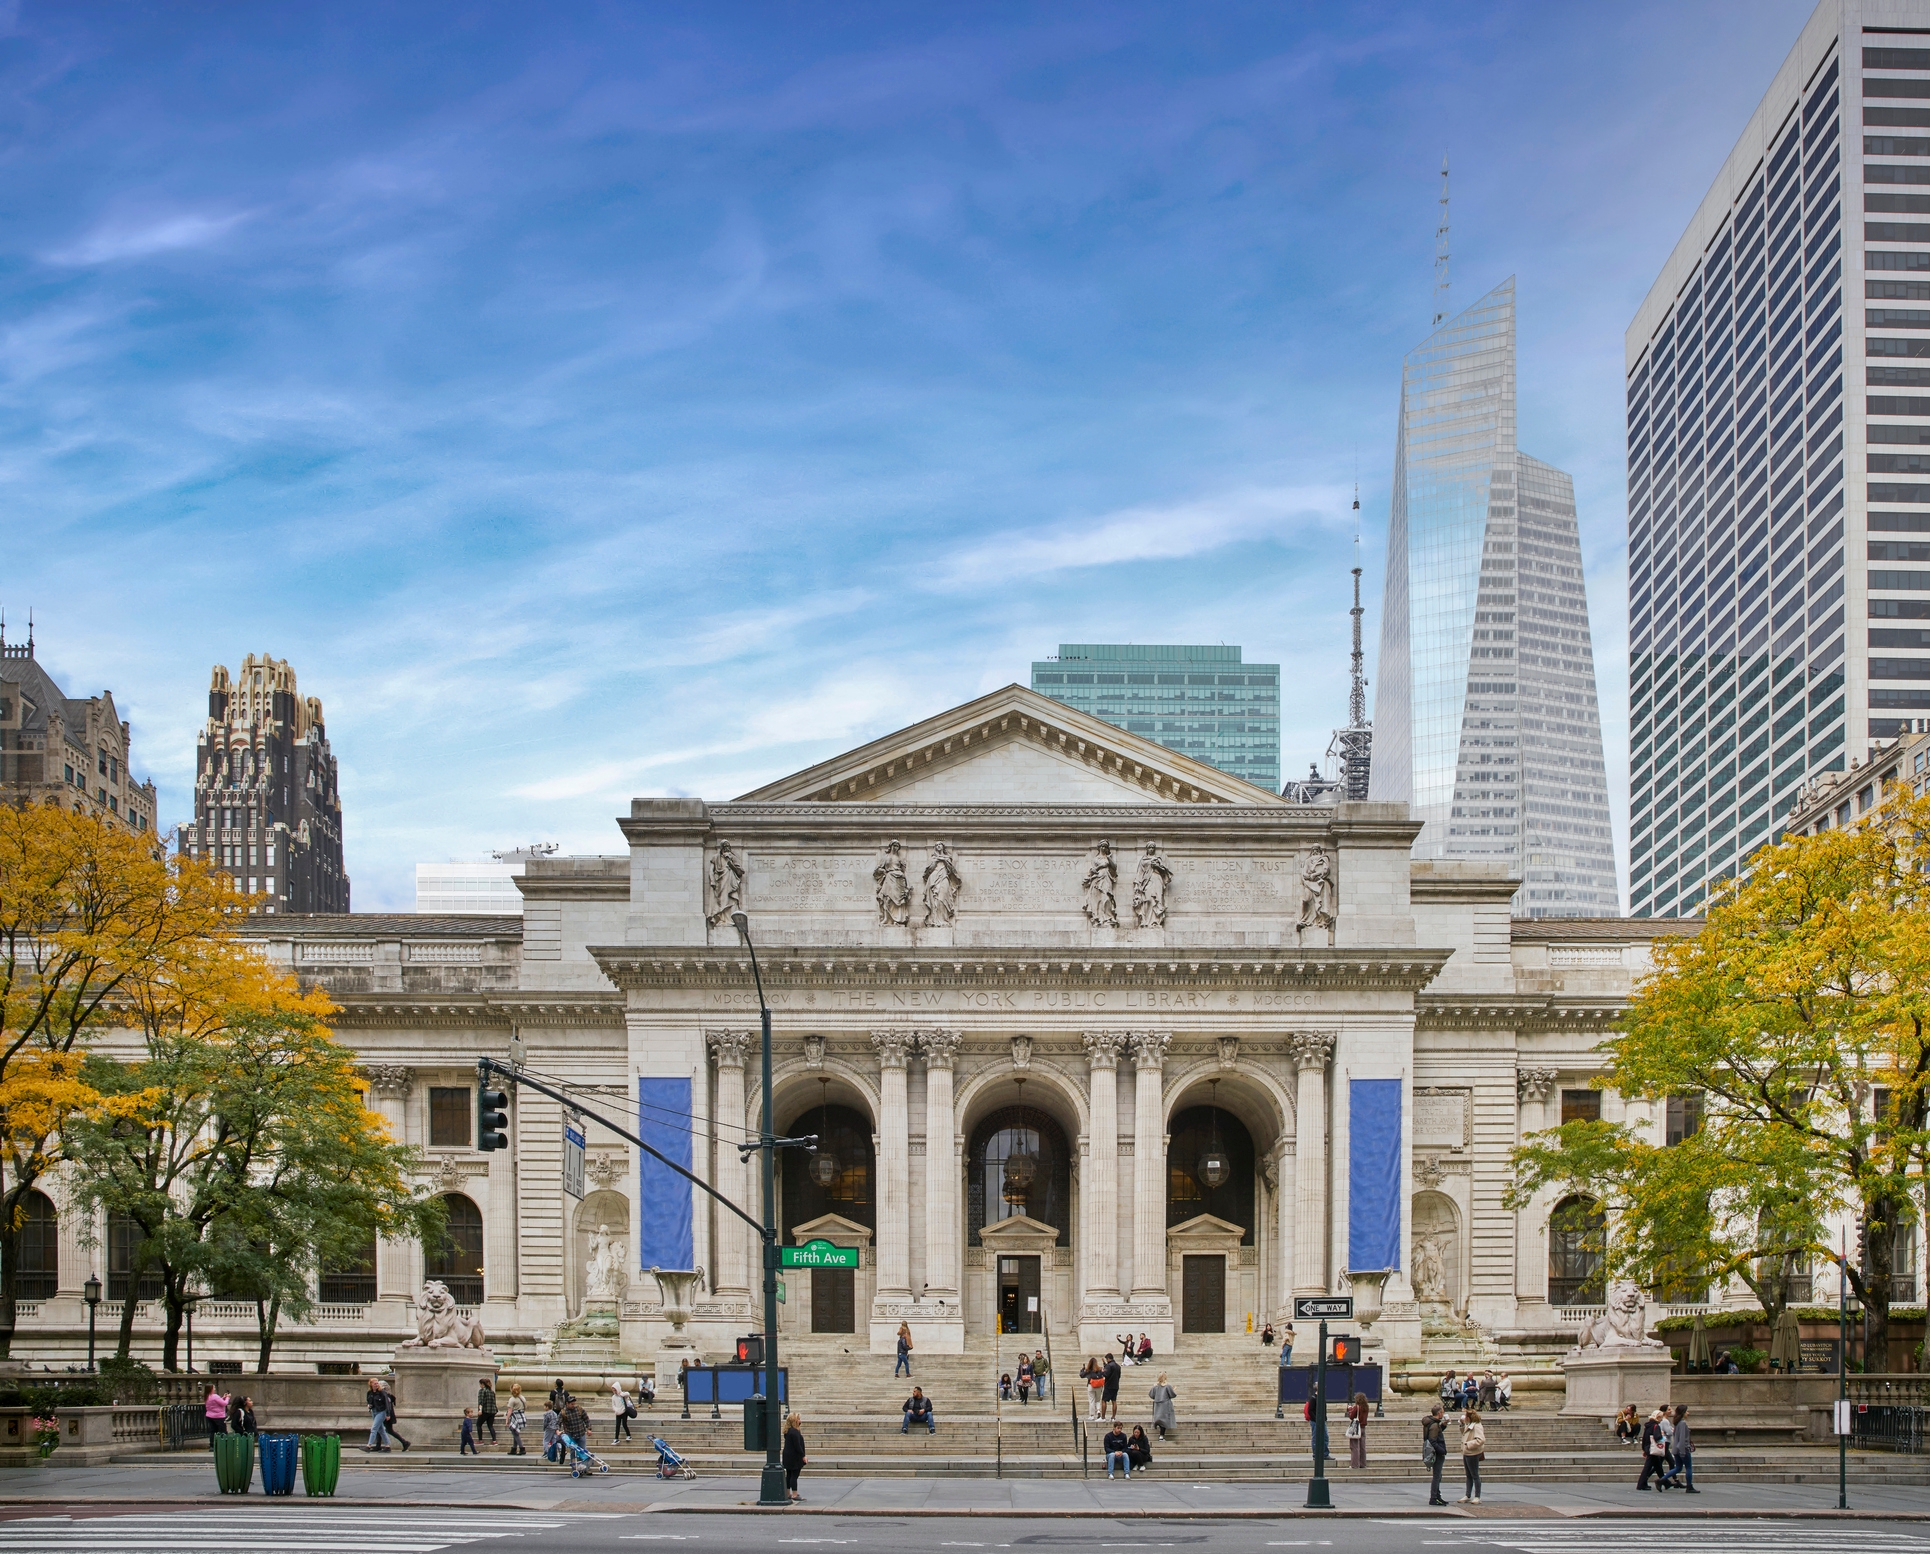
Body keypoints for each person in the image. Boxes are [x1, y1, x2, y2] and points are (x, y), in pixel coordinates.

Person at [1636, 1407, 1671, 1490]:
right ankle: (1641, 1484)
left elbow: (1645, 1438)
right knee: (1648, 1467)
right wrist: (1662, 1435)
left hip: (1648, 1448)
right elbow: (1657, 1437)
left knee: (1658, 1466)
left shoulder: (1648, 1425)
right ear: (1657, 1417)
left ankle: (1666, 1482)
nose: (1661, 1420)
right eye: (1661, 1417)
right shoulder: (1656, 1426)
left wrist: (1644, 1449)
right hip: (1653, 1449)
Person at [1421, 1403, 1449, 1507]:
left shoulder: (1432, 1423)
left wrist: (1443, 1426)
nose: (1443, 1414)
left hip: (1433, 1452)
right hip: (1436, 1453)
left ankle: (1437, 1495)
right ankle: (1433, 1497)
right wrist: (1442, 1450)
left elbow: (1436, 1433)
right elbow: (1433, 1440)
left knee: (1438, 1475)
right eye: (1442, 1412)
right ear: (1439, 1413)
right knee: (1437, 1476)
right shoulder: (1434, 1425)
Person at [1667, 1404, 1697, 1493]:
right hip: (1683, 1449)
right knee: (1688, 1468)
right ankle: (1689, 1486)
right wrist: (1683, 1451)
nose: (1688, 1413)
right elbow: (1683, 1438)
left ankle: (1662, 1479)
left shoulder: (1677, 1423)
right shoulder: (1683, 1423)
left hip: (1676, 1449)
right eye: (1687, 1411)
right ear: (1683, 1413)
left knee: (1678, 1468)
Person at [1459, 1407, 1484, 1505]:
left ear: (1469, 1417)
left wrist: (1468, 1444)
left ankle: (1477, 1496)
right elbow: (1464, 1434)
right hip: (1467, 1453)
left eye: (1466, 1416)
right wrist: (1462, 1424)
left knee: (1475, 1475)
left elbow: (1481, 1440)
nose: (1464, 1417)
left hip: (1472, 1453)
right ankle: (1468, 1495)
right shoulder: (1469, 1424)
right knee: (1468, 1475)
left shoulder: (1477, 1426)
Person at [559, 1394, 592, 1460]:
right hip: (571, 1435)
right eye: (571, 1404)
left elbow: (586, 1419)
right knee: (573, 1452)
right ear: (567, 1403)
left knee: (582, 1451)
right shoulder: (563, 1412)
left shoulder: (579, 1409)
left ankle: (584, 1468)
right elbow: (557, 1422)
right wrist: (558, 1430)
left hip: (581, 1433)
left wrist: (589, 1429)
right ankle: (574, 1468)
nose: (573, 1405)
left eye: (574, 1404)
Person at [783, 1412, 807, 1502]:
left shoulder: (788, 1431)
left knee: (789, 1475)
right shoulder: (795, 1432)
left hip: (787, 1456)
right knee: (794, 1475)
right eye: (798, 1419)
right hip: (794, 1457)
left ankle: (788, 1493)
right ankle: (794, 1494)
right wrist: (803, 1456)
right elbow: (798, 1446)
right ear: (794, 1421)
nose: (800, 1421)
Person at [363, 1378, 392, 1452]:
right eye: (375, 1383)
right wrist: (369, 1405)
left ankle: (369, 1445)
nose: (376, 1384)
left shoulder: (382, 1393)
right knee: (381, 1429)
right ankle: (387, 1445)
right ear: (371, 1384)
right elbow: (369, 1401)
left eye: (377, 1383)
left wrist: (388, 1414)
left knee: (374, 1428)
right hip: (374, 1411)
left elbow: (387, 1403)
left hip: (381, 1411)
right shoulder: (369, 1392)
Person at [1148, 1372, 1177, 1441]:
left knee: (1159, 1418)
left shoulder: (1155, 1386)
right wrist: (1173, 1390)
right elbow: (1172, 1395)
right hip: (1165, 1405)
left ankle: (1159, 1429)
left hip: (1157, 1405)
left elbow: (1151, 1395)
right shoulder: (1167, 1386)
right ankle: (1161, 1435)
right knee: (1164, 1420)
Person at [382, 1384, 411, 1452]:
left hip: (387, 1416)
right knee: (384, 1430)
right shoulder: (389, 1396)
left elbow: (388, 1407)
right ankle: (404, 1442)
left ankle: (404, 1442)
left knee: (387, 1430)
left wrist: (387, 1415)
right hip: (388, 1415)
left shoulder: (386, 1396)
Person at [1346, 1390, 1368, 1470]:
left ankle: (1355, 1464)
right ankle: (1363, 1463)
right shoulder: (1366, 1407)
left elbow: (1351, 1416)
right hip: (1363, 1427)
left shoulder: (1357, 1407)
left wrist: (1349, 1410)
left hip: (1356, 1428)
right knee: (1362, 1446)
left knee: (1354, 1446)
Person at [204, 1383, 230, 1448]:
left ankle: (212, 1445)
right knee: (222, 1430)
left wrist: (223, 1398)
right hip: (219, 1416)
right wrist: (227, 1398)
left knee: (213, 1431)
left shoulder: (207, 1396)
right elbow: (224, 1403)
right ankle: (224, 1444)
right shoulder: (214, 1396)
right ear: (211, 1389)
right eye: (214, 1388)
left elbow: (217, 1402)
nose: (215, 1389)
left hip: (210, 1415)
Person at [506, 1384, 528, 1456]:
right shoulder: (522, 1398)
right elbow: (525, 1407)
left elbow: (510, 1410)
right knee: (515, 1432)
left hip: (515, 1416)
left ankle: (522, 1448)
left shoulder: (512, 1399)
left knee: (515, 1433)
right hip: (521, 1415)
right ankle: (514, 1448)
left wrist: (507, 1420)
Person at [611, 1378, 634, 1443]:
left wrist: (622, 1394)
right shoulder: (613, 1397)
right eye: (613, 1390)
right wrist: (616, 1410)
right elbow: (613, 1405)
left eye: (615, 1389)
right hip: (618, 1412)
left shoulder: (623, 1395)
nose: (614, 1391)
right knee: (617, 1425)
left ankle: (628, 1435)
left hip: (624, 1412)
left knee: (624, 1424)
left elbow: (628, 1394)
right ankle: (616, 1438)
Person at [477, 1377, 498, 1446]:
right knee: (490, 1426)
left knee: (478, 1424)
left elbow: (481, 1402)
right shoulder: (492, 1391)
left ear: (482, 1384)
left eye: (480, 1384)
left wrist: (480, 1410)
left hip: (485, 1410)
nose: (480, 1385)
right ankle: (494, 1440)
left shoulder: (482, 1391)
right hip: (492, 1411)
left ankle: (480, 1440)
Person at [1102, 1353, 1122, 1420]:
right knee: (1114, 1401)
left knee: (1104, 1400)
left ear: (1108, 1359)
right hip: (1115, 1385)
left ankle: (1103, 1417)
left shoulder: (1109, 1366)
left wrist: (1102, 1371)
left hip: (1108, 1385)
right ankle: (1113, 1417)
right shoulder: (1118, 1366)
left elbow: (1106, 1374)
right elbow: (1119, 1376)